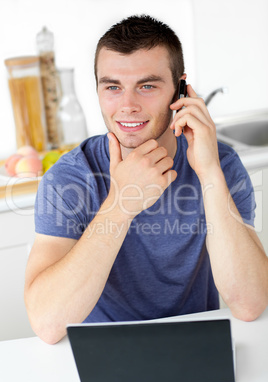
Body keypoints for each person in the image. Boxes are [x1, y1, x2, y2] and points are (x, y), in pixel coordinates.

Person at [24, 15, 268, 344]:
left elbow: (250, 304)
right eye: (112, 87)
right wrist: (120, 205)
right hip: (102, 355)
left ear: (180, 89)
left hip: (194, 347)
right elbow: (47, 324)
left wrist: (209, 172)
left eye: (147, 86)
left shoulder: (219, 163)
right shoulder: (68, 178)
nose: (127, 106)